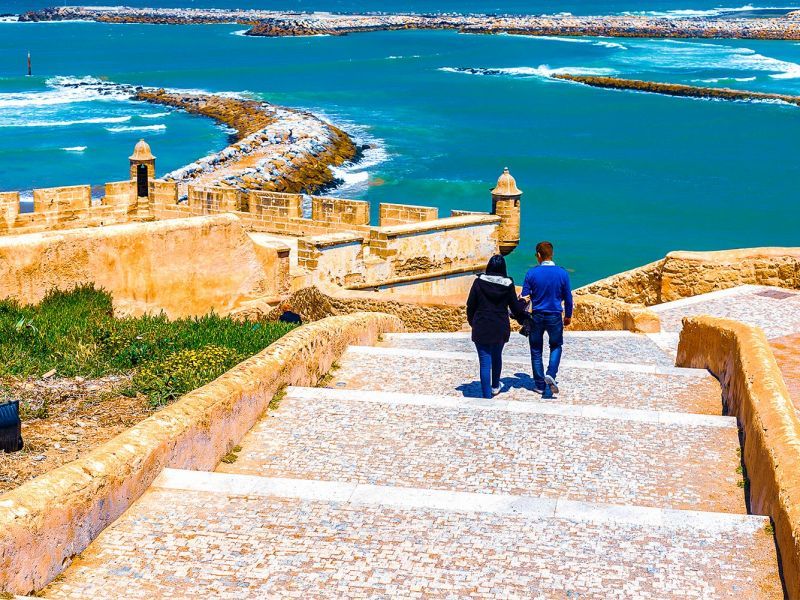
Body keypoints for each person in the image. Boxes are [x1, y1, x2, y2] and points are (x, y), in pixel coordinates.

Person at [466, 254, 528, 399]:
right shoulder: (508, 284)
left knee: (484, 362)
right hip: (500, 326)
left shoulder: (478, 282)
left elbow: (471, 305)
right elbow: (515, 309)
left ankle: (486, 395)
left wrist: (472, 322)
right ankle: (495, 386)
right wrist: (523, 303)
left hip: (481, 324)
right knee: (496, 356)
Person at [520, 241, 573, 395]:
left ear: (538, 255)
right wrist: (568, 315)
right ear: (552, 254)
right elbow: (568, 298)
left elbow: (524, 297)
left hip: (536, 315)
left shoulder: (531, 273)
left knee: (536, 350)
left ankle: (539, 385)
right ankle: (551, 374)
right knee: (556, 346)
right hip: (555, 315)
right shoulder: (562, 273)